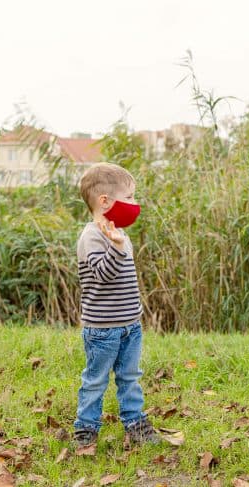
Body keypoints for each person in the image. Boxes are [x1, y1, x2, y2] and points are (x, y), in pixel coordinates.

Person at [72, 162, 159, 448]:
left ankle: (135, 423)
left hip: (130, 326)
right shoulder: (92, 236)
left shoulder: (119, 233)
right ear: (105, 201)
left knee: (130, 377)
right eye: (130, 196)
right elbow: (101, 276)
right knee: (96, 381)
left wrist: (120, 243)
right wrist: (117, 246)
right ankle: (86, 429)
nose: (135, 203)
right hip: (103, 330)